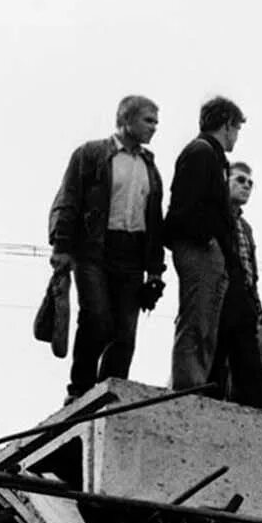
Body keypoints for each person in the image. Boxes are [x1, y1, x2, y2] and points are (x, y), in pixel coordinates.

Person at [48, 94, 166, 401]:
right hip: (92, 250)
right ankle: (80, 392)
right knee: (96, 320)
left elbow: (155, 222)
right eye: (148, 120)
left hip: (133, 255)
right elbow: (69, 201)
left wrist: (155, 270)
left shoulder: (151, 168)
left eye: (156, 121)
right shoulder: (90, 154)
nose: (155, 127)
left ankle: (109, 392)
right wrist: (61, 247)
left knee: (125, 334)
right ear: (126, 119)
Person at [167, 96, 245, 392]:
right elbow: (187, 206)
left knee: (206, 319)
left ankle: (194, 381)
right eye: (236, 128)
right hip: (199, 248)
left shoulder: (208, 154)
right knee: (197, 318)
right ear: (227, 125)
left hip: (205, 248)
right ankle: (188, 384)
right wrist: (208, 240)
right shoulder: (201, 152)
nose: (236, 136)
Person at [206, 161, 262, 406]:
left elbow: (251, 265)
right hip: (221, 292)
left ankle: (254, 409)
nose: (246, 186)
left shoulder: (246, 227)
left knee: (248, 362)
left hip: (245, 297)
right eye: (240, 180)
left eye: (250, 183)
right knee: (215, 356)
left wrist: (255, 298)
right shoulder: (214, 216)